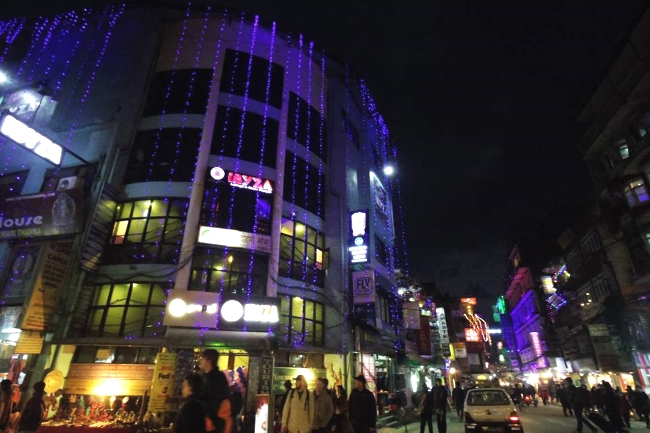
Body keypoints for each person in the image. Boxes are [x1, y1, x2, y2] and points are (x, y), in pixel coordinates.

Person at [200, 349, 232, 433]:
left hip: (215, 421)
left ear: (209, 361)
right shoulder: (213, 376)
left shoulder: (213, 378)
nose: (201, 361)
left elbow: (214, 399)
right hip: (216, 420)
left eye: (202, 358)